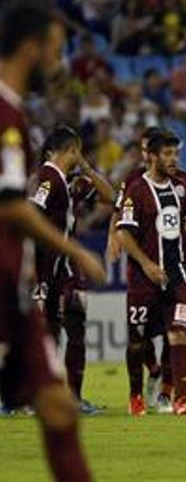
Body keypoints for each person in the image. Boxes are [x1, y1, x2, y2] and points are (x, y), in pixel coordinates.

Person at [0, 0, 104, 481]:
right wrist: (74, 249)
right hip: (17, 281)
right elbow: (15, 207)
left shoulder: (15, 115)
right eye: (56, 51)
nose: (59, 63)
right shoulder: (5, 116)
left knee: (58, 409)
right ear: (31, 48)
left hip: (17, 284)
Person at [106, 127, 186, 412]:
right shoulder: (136, 189)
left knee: (177, 334)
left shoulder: (184, 186)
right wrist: (146, 264)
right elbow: (124, 232)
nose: (174, 159)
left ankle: (178, 400)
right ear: (152, 157)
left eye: (176, 153)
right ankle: (136, 397)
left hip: (177, 276)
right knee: (137, 342)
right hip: (143, 280)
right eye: (167, 154)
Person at [30, 127, 115, 414]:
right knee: (43, 334)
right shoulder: (46, 178)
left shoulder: (70, 182)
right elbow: (32, 217)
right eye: (77, 151)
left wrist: (87, 168)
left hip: (66, 269)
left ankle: (74, 399)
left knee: (75, 327)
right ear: (72, 149)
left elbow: (111, 198)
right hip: (42, 269)